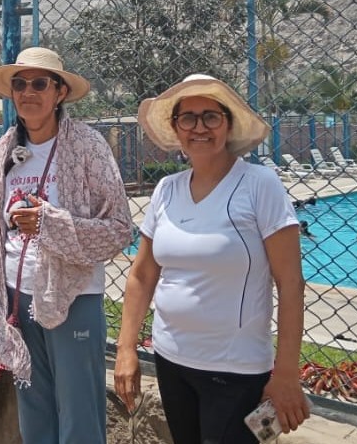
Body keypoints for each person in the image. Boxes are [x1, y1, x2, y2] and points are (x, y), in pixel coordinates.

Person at [115, 74, 310, 444]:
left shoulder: (259, 185)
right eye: (187, 118)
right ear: (175, 127)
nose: (199, 127)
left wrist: (286, 373)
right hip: (172, 360)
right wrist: (127, 348)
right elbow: (142, 274)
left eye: (210, 116)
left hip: (234, 371)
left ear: (228, 124)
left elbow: (290, 282)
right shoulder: (166, 190)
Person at [0, 47, 132, 444]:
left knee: (79, 415)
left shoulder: (88, 146)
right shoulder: (6, 148)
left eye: (39, 83)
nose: (28, 92)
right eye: (19, 84)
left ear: (59, 92)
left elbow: (118, 229)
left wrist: (49, 223)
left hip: (73, 295)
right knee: (34, 410)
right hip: (17, 295)